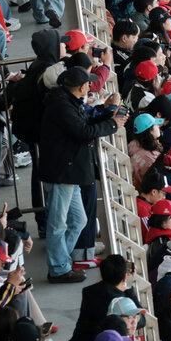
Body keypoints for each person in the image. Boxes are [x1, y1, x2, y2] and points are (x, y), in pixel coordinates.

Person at [37, 67, 124, 282]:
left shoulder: (68, 101)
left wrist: (107, 115)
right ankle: (58, 269)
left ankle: (62, 261)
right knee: (58, 224)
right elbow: (83, 132)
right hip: (60, 173)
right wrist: (112, 124)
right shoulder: (61, 106)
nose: (90, 86)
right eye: (88, 83)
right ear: (80, 87)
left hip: (70, 172)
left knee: (79, 220)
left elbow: (84, 122)